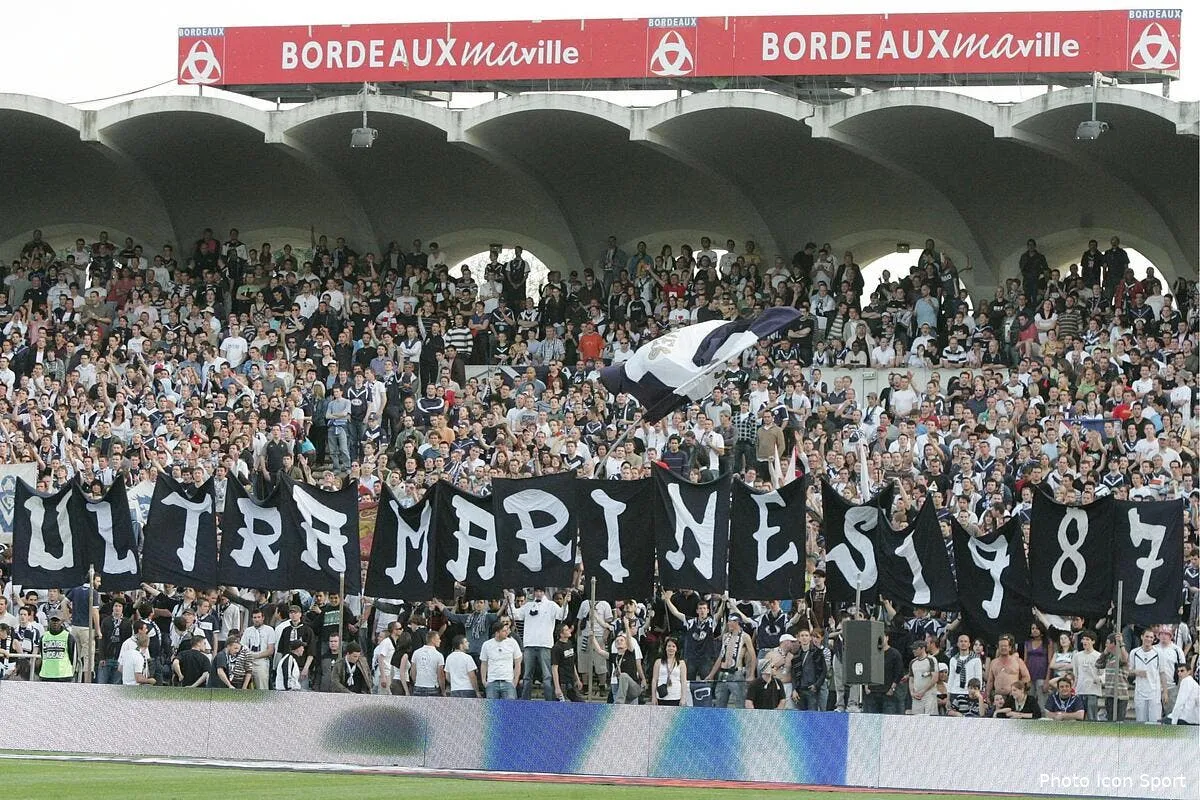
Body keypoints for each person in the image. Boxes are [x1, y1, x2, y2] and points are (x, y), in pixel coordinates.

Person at [510, 586, 566, 700]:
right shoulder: (528, 605)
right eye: (537, 591)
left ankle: (549, 701)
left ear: (544, 593)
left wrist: (566, 603)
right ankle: (525, 700)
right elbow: (515, 615)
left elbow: (562, 615)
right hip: (529, 644)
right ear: (534, 592)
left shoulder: (551, 605)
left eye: (541, 591)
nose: (538, 594)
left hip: (545, 644)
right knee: (527, 676)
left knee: (547, 676)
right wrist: (510, 601)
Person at [710, 615, 755, 709]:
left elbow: (753, 656)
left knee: (740, 703)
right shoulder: (726, 636)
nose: (728, 623)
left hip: (736, 673)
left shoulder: (745, 636)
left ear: (736, 622)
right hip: (723, 673)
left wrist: (751, 674)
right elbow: (721, 657)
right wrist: (711, 674)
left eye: (730, 621)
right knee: (719, 703)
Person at [1130, 628, 1169, 724]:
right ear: (1142, 637)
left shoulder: (1159, 653)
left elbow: (1162, 673)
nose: (1149, 639)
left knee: (1154, 722)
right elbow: (1129, 670)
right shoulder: (1134, 652)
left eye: (1151, 637)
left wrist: (1165, 692)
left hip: (1154, 693)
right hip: (1140, 692)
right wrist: (1136, 672)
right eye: (1147, 636)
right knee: (1140, 722)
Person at [863, 631, 904, 715]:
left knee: (888, 719)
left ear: (887, 638)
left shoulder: (894, 654)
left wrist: (892, 688)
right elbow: (866, 669)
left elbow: (899, 672)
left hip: (887, 692)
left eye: (882, 637)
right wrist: (866, 686)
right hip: (872, 692)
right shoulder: (872, 653)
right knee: (871, 720)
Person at [479, 620, 522, 700]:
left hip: (508, 681)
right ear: (497, 632)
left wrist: (515, 680)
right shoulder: (487, 644)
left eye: (507, 630)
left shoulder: (512, 643)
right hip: (492, 681)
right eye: (504, 631)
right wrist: (484, 681)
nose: (507, 632)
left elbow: (518, 662)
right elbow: (484, 663)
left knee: (509, 709)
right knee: (492, 709)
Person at [790, 629, 827, 711]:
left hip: (811, 689)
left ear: (810, 638)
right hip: (800, 689)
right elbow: (793, 674)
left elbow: (824, 671)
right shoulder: (796, 655)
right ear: (798, 638)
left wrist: (816, 685)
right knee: (802, 717)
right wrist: (794, 689)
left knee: (812, 716)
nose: (804, 638)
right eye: (802, 636)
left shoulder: (817, 652)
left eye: (806, 635)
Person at [1071, 630, 1103, 720]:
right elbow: (1076, 674)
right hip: (1080, 690)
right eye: (1083, 639)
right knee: (1079, 717)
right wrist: (1074, 688)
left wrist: (1099, 679)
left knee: (1091, 717)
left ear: (1093, 641)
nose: (1085, 641)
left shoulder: (1098, 656)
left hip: (1093, 690)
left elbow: (1103, 673)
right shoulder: (1077, 656)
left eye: (1087, 639)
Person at [241, 609, 276, 690]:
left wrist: (256, 655)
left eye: (259, 617)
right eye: (254, 617)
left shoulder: (269, 630)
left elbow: (271, 650)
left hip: (262, 661)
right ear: (252, 619)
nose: (257, 619)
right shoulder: (248, 630)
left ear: (263, 618)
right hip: (248, 661)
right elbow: (242, 646)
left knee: (262, 687)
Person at [604, 632, 644, 704]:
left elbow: (629, 640)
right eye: (617, 641)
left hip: (633, 688)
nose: (619, 642)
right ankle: (620, 705)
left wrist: (626, 625)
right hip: (622, 689)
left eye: (622, 640)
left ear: (626, 644)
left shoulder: (630, 653)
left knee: (623, 675)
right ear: (615, 645)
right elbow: (599, 651)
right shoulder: (614, 656)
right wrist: (592, 638)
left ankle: (619, 703)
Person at [37, 613, 76, 683]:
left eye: (57, 620)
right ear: (49, 621)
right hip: (46, 675)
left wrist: (73, 672)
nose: (55, 623)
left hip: (64, 676)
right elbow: (43, 655)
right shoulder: (43, 637)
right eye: (52, 620)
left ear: (61, 622)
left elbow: (73, 656)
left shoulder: (68, 637)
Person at [551, 621, 583, 702]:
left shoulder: (569, 643)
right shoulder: (556, 648)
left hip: (571, 680)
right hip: (562, 682)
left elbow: (572, 663)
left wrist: (577, 679)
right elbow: (554, 668)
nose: (569, 630)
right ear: (561, 634)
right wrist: (557, 687)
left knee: (580, 702)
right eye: (566, 630)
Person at [651, 638, 688, 707]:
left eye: (673, 646)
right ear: (665, 648)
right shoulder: (658, 662)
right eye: (669, 646)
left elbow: (683, 681)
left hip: (676, 696)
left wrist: (683, 698)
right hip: (661, 696)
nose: (671, 648)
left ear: (676, 649)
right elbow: (654, 680)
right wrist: (653, 697)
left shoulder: (681, 663)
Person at [409, 630, 446, 697]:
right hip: (432, 686)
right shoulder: (439, 655)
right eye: (438, 639)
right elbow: (440, 675)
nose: (440, 640)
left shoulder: (416, 652)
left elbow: (413, 671)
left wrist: (416, 681)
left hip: (418, 686)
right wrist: (443, 691)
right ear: (433, 640)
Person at [908, 640, 939, 715]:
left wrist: (923, 691)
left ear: (922, 649)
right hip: (916, 696)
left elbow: (935, 678)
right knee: (916, 719)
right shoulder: (912, 662)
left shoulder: (931, 660)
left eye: (916, 649)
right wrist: (912, 692)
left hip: (929, 695)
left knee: (930, 719)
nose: (913, 651)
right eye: (913, 649)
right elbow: (911, 679)